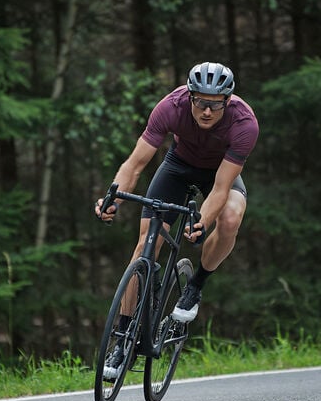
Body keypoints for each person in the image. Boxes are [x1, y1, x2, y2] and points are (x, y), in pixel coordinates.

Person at [95, 61, 259, 376]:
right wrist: (111, 198)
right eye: (200, 102)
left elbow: (222, 188)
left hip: (217, 174)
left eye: (215, 105)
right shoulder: (170, 107)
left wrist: (202, 222)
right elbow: (135, 164)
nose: (207, 111)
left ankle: (195, 285)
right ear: (189, 95)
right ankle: (122, 339)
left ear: (227, 101)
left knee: (230, 219)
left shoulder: (244, 123)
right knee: (146, 243)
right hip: (178, 167)